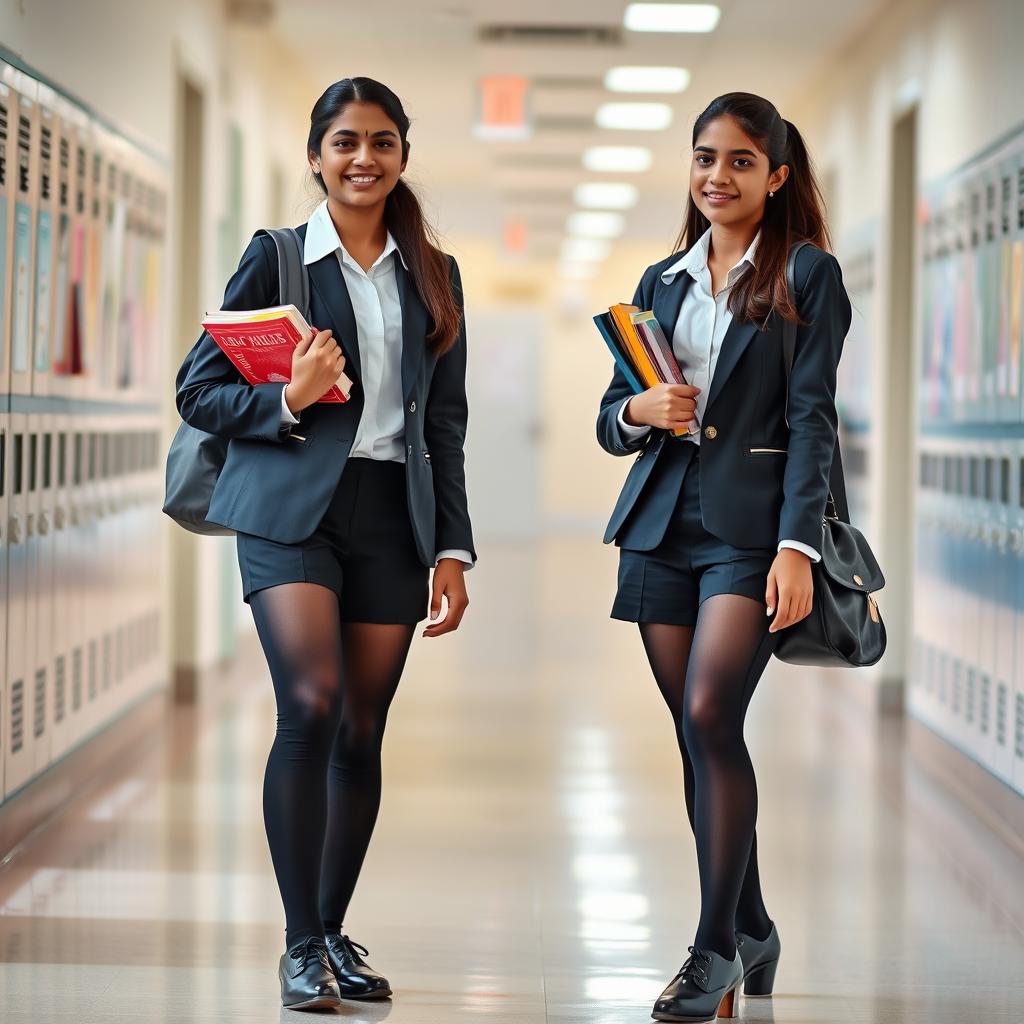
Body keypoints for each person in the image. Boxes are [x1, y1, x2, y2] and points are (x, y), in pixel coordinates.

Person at [175, 77, 475, 1011]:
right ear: (316, 156)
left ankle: (332, 931)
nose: (363, 158)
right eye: (344, 141)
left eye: (382, 142)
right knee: (310, 702)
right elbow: (198, 392)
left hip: (393, 512)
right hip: (287, 507)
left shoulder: (435, 272)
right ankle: (301, 943)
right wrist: (289, 399)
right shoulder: (277, 260)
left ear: (402, 157)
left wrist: (454, 553)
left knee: (361, 727)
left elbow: (446, 426)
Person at [596, 92, 851, 1023]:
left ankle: (713, 953)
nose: (717, 176)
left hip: (751, 535)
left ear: (776, 176)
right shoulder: (661, 281)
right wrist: (636, 412)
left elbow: (811, 416)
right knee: (695, 731)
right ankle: (752, 923)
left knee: (710, 713)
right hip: (663, 527)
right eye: (705, 158)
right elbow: (609, 414)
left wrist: (797, 545)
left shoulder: (807, 276)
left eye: (741, 161)